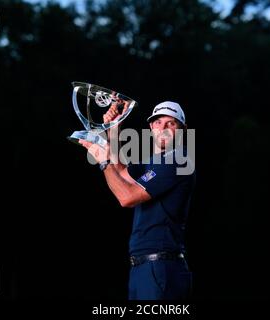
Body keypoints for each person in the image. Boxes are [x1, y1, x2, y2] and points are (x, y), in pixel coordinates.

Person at [79, 100, 195, 300]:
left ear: (182, 130)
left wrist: (104, 162)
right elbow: (122, 174)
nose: (163, 129)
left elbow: (127, 197)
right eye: (158, 122)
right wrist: (114, 129)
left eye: (171, 124)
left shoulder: (179, 160)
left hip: (161, 267)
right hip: (144, 268)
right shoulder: (155, 162)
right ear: (151, 127)